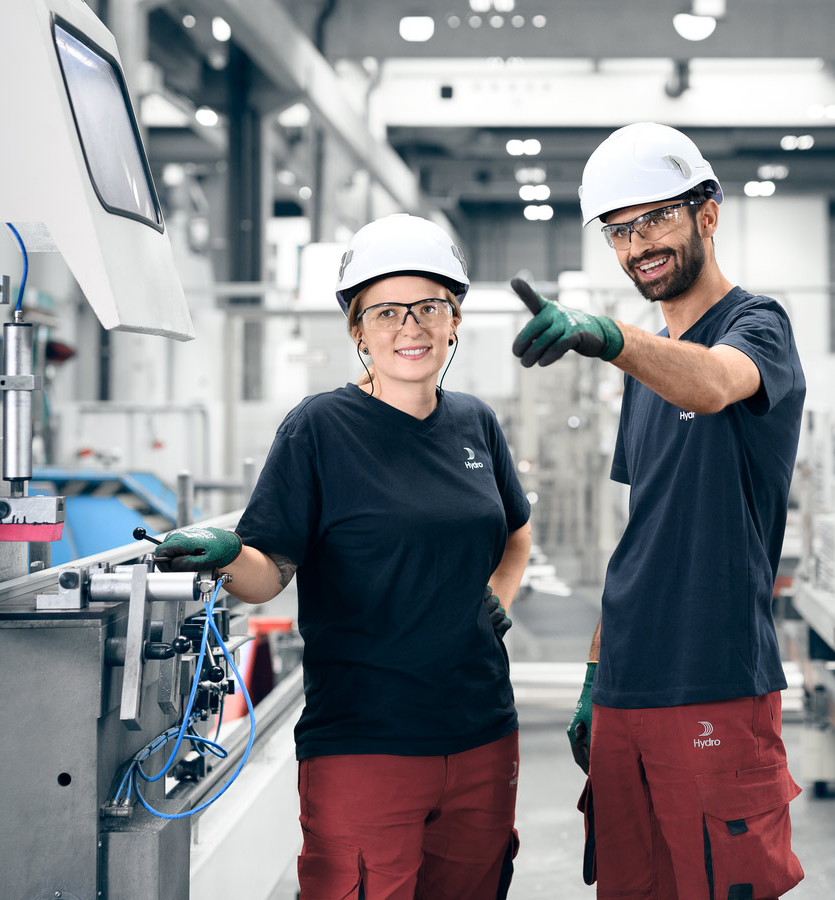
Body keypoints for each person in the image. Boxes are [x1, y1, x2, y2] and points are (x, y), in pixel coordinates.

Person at [156, 214, 532, 900]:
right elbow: (270, 572)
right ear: (357, 331)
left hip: (482, 733)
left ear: (454, 321)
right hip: (365, 739)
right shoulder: (319, 429)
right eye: (386, 311)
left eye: (429, 308)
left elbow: (515, 533)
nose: (409, 327)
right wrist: (225, 554)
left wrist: (499, 595)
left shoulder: (476, 422)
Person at [511, 122, 807, 900]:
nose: (637, 244)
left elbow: (712, 383)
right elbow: (643, 535)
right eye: (618, 230)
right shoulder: (642, 375)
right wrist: (593, 674)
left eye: (655, 219)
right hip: (625, 694)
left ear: (707, 213)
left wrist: (611, 337)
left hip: (713, 681)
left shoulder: (758, 327)